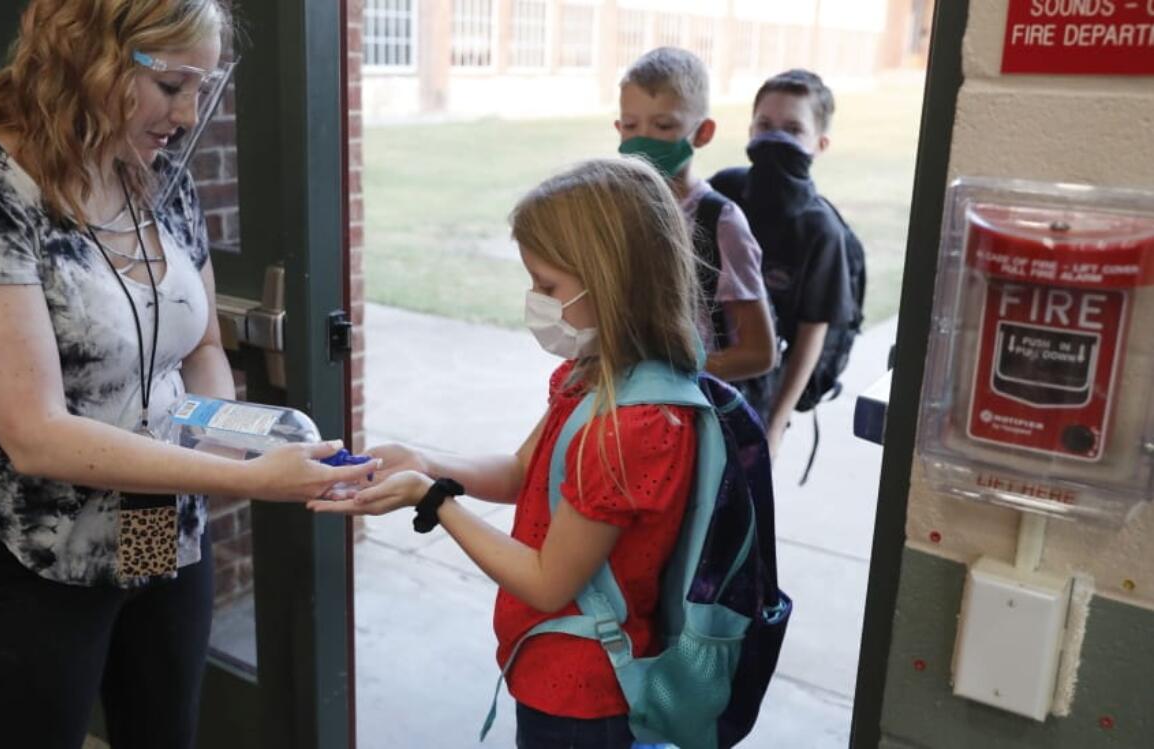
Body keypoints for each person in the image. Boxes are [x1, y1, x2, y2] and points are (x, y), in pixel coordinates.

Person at [0, 1, 368, 747]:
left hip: (153, 519)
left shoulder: (156, 181)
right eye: (171, 85)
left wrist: (225, 434)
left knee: (160, 723)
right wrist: (252, 480)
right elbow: (35, 435)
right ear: (87, 58)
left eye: (204, 86)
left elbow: (201, 348)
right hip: (23, 553)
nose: (189, 112)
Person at [311, 158, 704, 749]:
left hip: (585, 697)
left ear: (614, 278)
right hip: (548, 667)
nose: (535, 300)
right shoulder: (593, 377)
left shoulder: (633, 428)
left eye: (548, 286)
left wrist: (433, 500)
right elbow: (523, 472)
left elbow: (548, 583)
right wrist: (426, 463)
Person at [710, 69, 856, 458]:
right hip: (702, 369)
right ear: (750, 131)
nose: (775, 138)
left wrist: (774, 426)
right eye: (765, 125)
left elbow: (812, 335)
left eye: (793, 129)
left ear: (820, 144)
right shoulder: (723, 191)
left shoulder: (820, 230)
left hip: (758, 389)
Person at [615, 47, 777, 386]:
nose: (643, 138)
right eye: (631, 125)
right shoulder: (616, 210)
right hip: (628, 402)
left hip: (693, 407)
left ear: (702, 133)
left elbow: (759, 353)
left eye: (663, 125)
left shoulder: (721, 223)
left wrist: (668, 376)